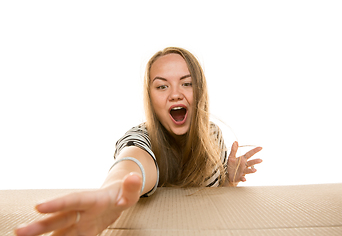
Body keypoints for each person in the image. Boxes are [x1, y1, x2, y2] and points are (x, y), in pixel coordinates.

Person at [15, 47, 263, 236]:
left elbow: (212, 202)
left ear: (200, 91)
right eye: (162, 86)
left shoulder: (212, 134)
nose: (175, 93)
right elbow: (132, 162)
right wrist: (111, 192)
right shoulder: (140, 136)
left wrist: (229, 181)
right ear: (150, 97)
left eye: (186, 83)